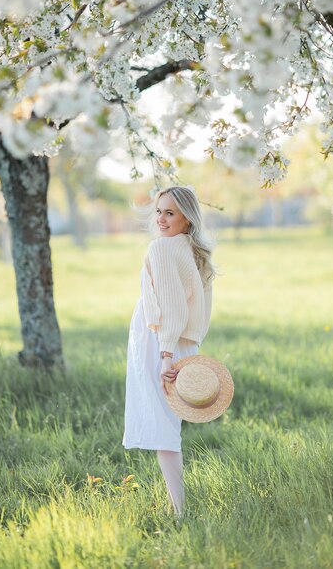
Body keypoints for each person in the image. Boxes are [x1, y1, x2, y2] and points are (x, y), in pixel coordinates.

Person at [122, 185, 215, 517]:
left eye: (170, 213)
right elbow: (201, 310)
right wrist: (188, 349)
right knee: (169, 426)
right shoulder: (193, 250)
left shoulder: (162, 249)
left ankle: (179, 510)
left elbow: (173, 308)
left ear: (187, 219)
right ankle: (178, 505)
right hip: (182, 343)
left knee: (164, 428)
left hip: (161, 342)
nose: (160, 219)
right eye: (159, 211)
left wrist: (165, 357)